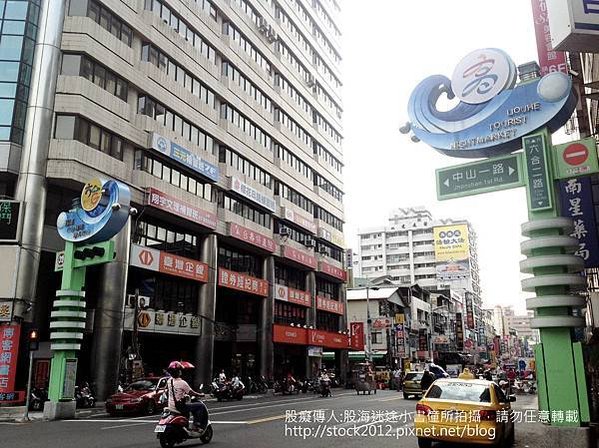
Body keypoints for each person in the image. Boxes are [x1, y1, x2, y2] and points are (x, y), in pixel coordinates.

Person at [166, 361, 208, 434]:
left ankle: (186, 425)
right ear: (178, 372)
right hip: (179, 406)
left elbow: (173, 391)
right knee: (200, 406)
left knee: (188, 409)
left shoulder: (169, 381)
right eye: (180, 370)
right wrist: (201, 395)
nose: (181, 371)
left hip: (171, 405)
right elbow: (191, 392)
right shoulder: (182, 383)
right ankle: (196, 426)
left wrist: (183, 396)